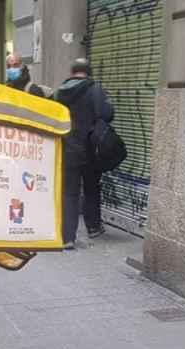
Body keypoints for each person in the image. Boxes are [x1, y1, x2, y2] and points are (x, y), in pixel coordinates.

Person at [56, 58, 113, 247]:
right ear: (88, 72)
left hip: (66, 148)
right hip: (89, 149)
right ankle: (93, 227)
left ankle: (67, 237)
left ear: (72, 72)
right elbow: (106, 114)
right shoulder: (94, 89)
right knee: (91, 188)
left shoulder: (59, 92)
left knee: (69, 193)